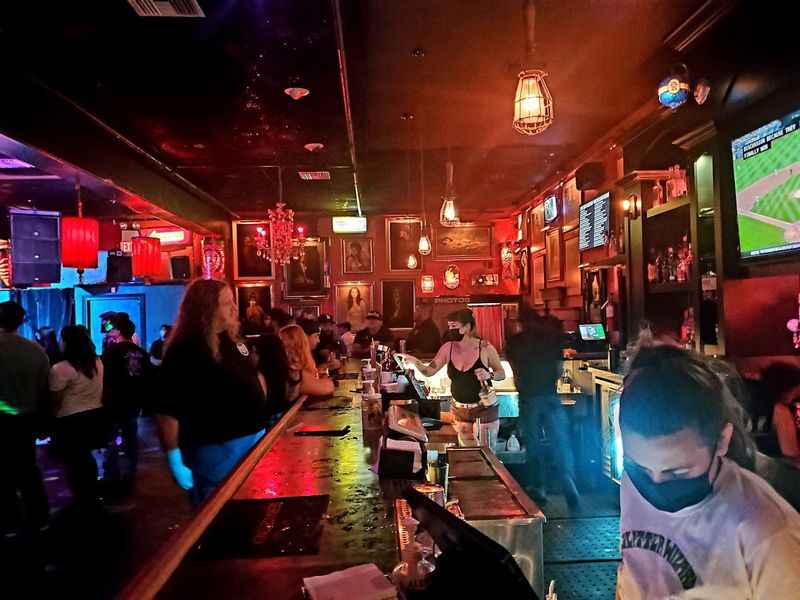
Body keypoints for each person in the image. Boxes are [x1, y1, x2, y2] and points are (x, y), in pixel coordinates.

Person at [616, 345, 800, 599]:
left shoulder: (769, 533)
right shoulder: (635, 480)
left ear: (722, 440)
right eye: (639, 467)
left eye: (678, 473)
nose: (655, 483)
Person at [156, 279, 270, 504]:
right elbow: (167, 409)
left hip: (253, 443)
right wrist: (174, 458)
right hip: (218, 454)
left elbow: (253, 374)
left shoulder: (230, 340)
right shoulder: (186, 349)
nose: (235, 308)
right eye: (227, 303)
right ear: (208, 309)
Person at [506, 306, 579, 508]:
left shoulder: (515, 342)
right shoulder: (551, 339)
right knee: (560, 441)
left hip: (529, 398)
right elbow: (558, 369)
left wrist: (522, 385)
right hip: (550, 395)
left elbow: (514, 370)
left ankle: (539, 487)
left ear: (520, 323)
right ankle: (568, 482)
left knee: (533, 443)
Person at [401, 309, 505, 442]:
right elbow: (429, 371)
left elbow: (501, 374)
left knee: (484, 453)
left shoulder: (484, 347)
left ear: (467, 326)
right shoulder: (448, 348)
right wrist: (414, 361)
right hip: (459, 409)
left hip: (483, 408)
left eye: (454, 326)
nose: (450, 330)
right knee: (466, 453)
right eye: (449, 326)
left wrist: (489, 374)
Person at [0, 301, 50, 534]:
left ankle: (9, 520)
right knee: (28, 469)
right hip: (26, 419)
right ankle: (39, 517)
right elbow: (44, 389)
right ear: (21, 321)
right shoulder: (36, 351)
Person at [50, 325, 108, 506]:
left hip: (71, 419)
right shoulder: (97, 362)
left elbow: (55, 399)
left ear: (67, 342)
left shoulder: (61, 368)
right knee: (85, 457)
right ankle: (90, 493)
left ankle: (82, 497)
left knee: (74, 461)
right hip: (94, 415)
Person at [102, 313, 153, 486]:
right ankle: (131, 473)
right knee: (131, 439)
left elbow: (105, 377)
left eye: (113, 328)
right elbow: (148, 379)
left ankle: (112, 474)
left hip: (113, 402)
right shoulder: (141, 353)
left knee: (111, 439)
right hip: (133, 403)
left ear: (119, 331)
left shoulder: (111, 352)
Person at [279, 324, 335, 402]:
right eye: (316, 336)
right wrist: (324, 376)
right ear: (302, 341)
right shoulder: (293, 371)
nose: (318, 340)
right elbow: (328, 387)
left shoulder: (283, 366)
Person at [254, 333, 290, 420]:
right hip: (283, 416)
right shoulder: (285, 369)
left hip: (269, 423)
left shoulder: (259, 375)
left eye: (255, 351)